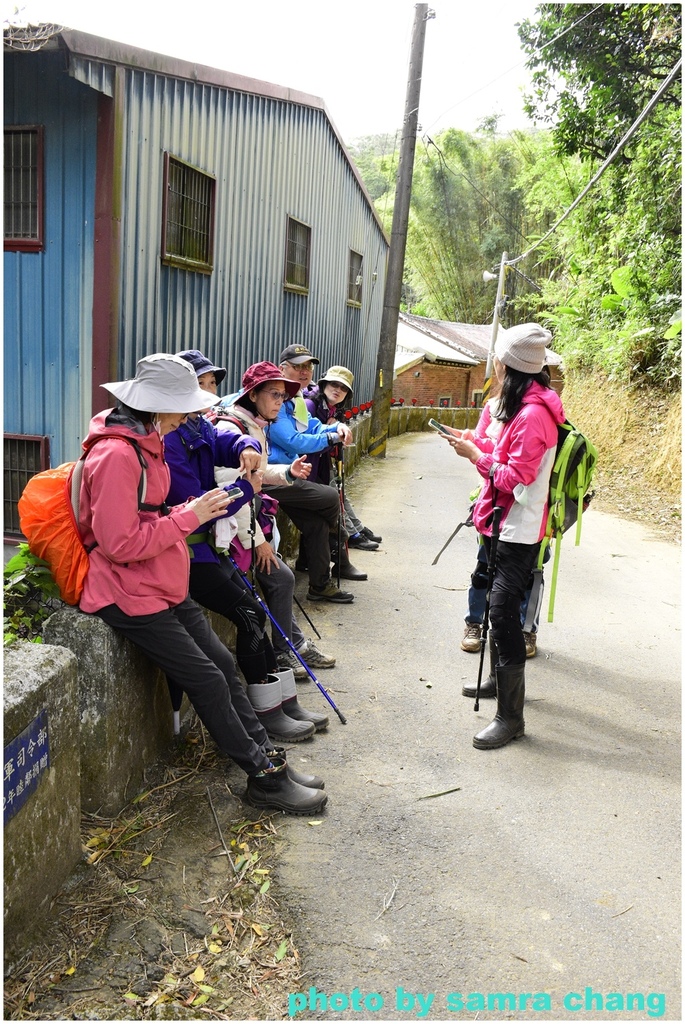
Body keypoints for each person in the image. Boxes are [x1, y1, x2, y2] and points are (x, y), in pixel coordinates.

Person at [78, 352, 327, 814]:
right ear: (158, 404)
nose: (194, 412)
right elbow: (118, 544)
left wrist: (189, 512)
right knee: (209, 680)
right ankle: (261, 777)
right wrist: (189, 516)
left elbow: (209, 447)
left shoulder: (147, 438)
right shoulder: (118, 453)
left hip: (160, 582)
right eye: (188, 403)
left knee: (223, 669)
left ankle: (268, 762)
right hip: (127, 593)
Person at [164, 350, 329, 743]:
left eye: (211, 384)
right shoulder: (169, 437)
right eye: (199, 385)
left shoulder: (194, 426)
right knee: (251, 614)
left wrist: (243, 447)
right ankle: (269, 710)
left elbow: (220, 439)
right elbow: (197, 500)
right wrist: (246, 490)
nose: (207, 393)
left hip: (208, 547)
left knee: (254, 612)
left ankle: (281, 703)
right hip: (187, 552)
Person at [444, 324, 565, 750]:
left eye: (496, 359)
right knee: (501, 607)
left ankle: (511, 718)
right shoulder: (523, 405)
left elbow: (516, 478)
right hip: (503, 522)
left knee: (502, 610)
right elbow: (508, 458)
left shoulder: (532, 414)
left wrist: (475, 455)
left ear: (506, 365)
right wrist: (475, 443)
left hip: (520, 528)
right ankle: (497, 682)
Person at [205, 359, 337, 679]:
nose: (281, 401)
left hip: (245, 524)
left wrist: (287, 473)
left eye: (283, 396)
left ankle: (292, 646)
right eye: (274, 394)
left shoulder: (255, 425)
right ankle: (283, 652)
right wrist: (260, 542)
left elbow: (258, 476)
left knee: (279, 580)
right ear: (253, 395)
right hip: (227, 530)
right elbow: (232, 493)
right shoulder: (232, 428)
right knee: (280, 579)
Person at [261, 344, 359, 601]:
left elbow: (312, 426)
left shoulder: (295, 398)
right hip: (271, 476)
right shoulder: (277, 398)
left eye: (308, 366)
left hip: (288, 473)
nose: (304, 372)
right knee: (328, 499)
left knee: (316, 525)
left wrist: (336, 427)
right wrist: (330, 438)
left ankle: (320, 585)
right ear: (283, 368)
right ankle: (341, 543)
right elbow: (294, 440)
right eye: (297, 366)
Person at [303, 365, 382, 553]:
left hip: (321, 461)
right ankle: (352, 534)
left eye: (343, 388)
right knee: (334, 495)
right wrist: (331, 433)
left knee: (340, 493)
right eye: (333, 384)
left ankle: (357, 528)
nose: (338, 390)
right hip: (308, 465)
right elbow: (307, 441)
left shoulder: (331, 408)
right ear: (324, 385)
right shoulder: (310, 406)